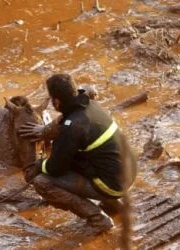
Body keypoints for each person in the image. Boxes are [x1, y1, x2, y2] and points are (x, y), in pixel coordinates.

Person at [19, 74, 137, 233]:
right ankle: (115, 204)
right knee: (82, 158)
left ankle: (98, 219)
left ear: (56, 101)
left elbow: (55, 168)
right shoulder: (89, 105)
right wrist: (44, 131)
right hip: (128, 173)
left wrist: (39, 164)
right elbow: (62, 120)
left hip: (112, 185)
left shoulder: (72, 128)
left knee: (42, 182)